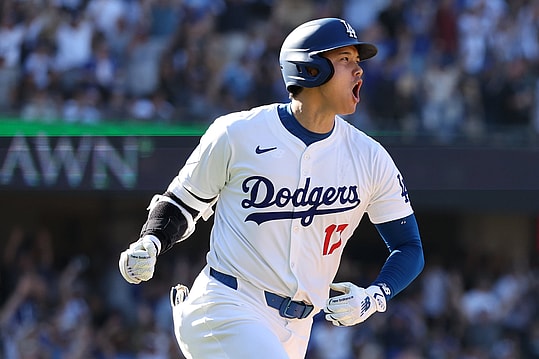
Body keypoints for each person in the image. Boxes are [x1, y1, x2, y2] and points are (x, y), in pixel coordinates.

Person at [118, 17, 425, 359]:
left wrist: (375, 297)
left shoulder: (370, 157)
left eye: (357, 61)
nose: (359, 71)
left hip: (297, 328)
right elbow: (182, 203)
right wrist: (152, 240)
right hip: (227, 306)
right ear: (310, 69)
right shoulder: (238, 133)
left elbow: (409, 246)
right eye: (345, 60)